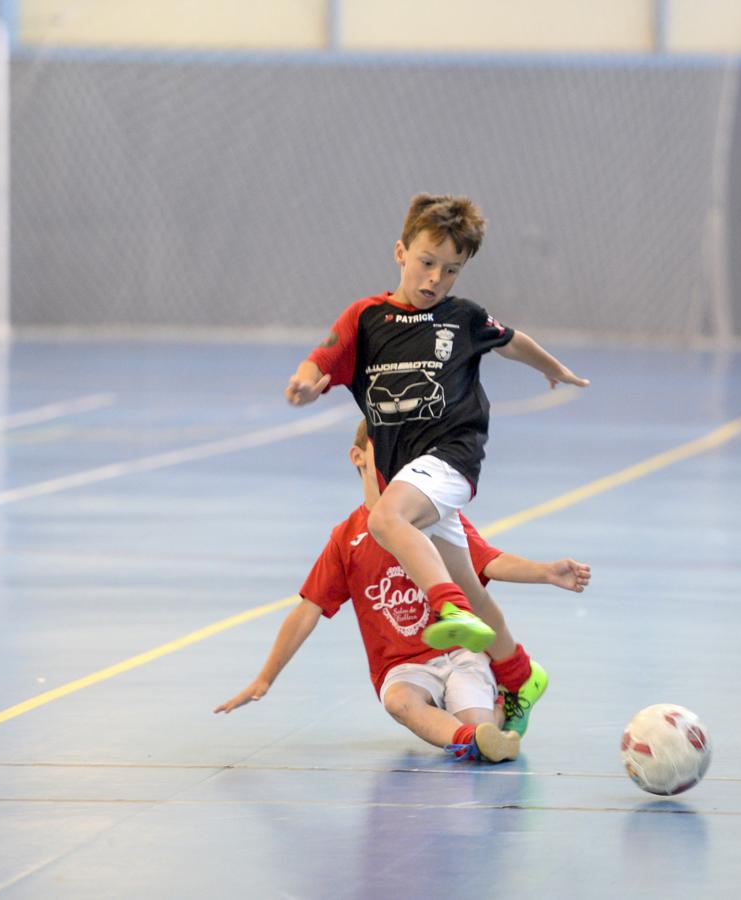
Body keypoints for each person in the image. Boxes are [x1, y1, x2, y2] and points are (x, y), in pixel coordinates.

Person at [283, 193, 588, 725]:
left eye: (451, 271)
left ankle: (446, 606)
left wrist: (555, 368)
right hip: (407, 473)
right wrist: (307, 383)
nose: (435, 280)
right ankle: (519, 674)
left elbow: (513, 341)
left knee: (386, 519)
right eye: (427, 263)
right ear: (400, 252)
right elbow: (326, 355)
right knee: (473, 587)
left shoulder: (462, 319)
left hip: (451, 456)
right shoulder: (367, 318)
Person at [214, 421, 591, 762]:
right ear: (357, 456)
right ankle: (476, 740)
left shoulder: (434, 516)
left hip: (458, 653)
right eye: (389, 450)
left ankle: (493, 718)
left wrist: (545, 572)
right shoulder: (347, 539)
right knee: (399, 702)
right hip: (402, 666)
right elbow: (306, 612)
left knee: (477, 718)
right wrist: (265, 678)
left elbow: (488, 562)